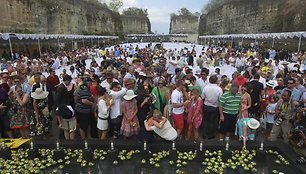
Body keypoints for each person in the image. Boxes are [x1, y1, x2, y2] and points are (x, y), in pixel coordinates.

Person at [202, 75, 223, 139]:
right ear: (216, 81)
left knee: (205, 121)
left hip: (206, 105)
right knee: (212, 121)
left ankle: (204, 134)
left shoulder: (205, 88)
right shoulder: (219, 89)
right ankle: (210, 135)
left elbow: (203, 97)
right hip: (214, 106)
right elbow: (220, 100)